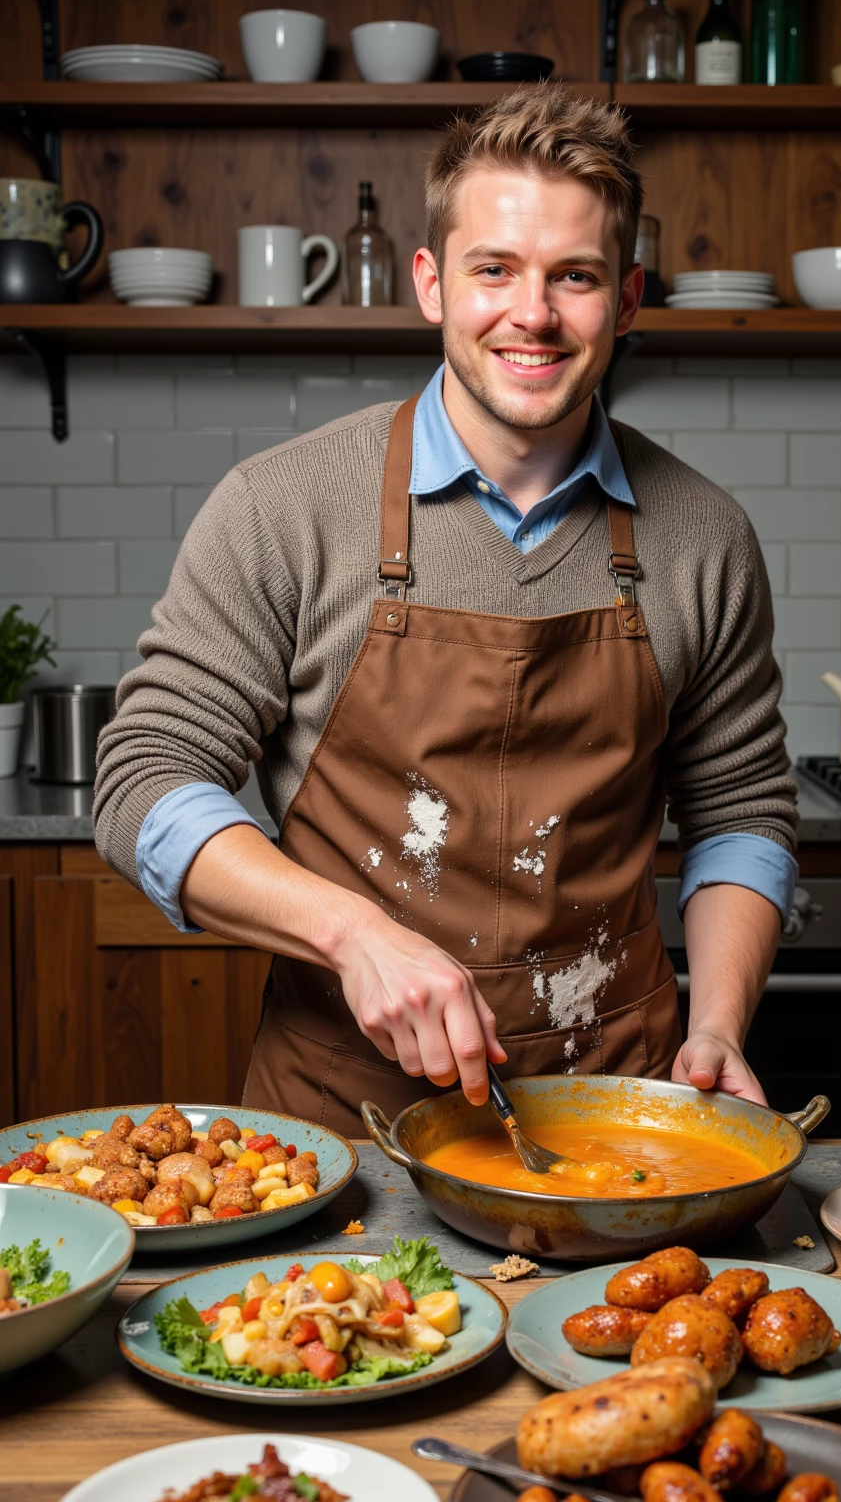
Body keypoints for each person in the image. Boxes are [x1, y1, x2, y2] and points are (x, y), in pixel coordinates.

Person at [94, 86, 797, 1138]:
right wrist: (348, 932)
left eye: (575, 277)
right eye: (495, 270)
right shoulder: (283, 505)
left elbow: (742, 812)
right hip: (343, 1124)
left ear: (630, 298)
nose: (533, 314)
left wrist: (725, 1021)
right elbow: (146, 781)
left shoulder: (701, 535)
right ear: (431, 283)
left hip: (617, 1116)